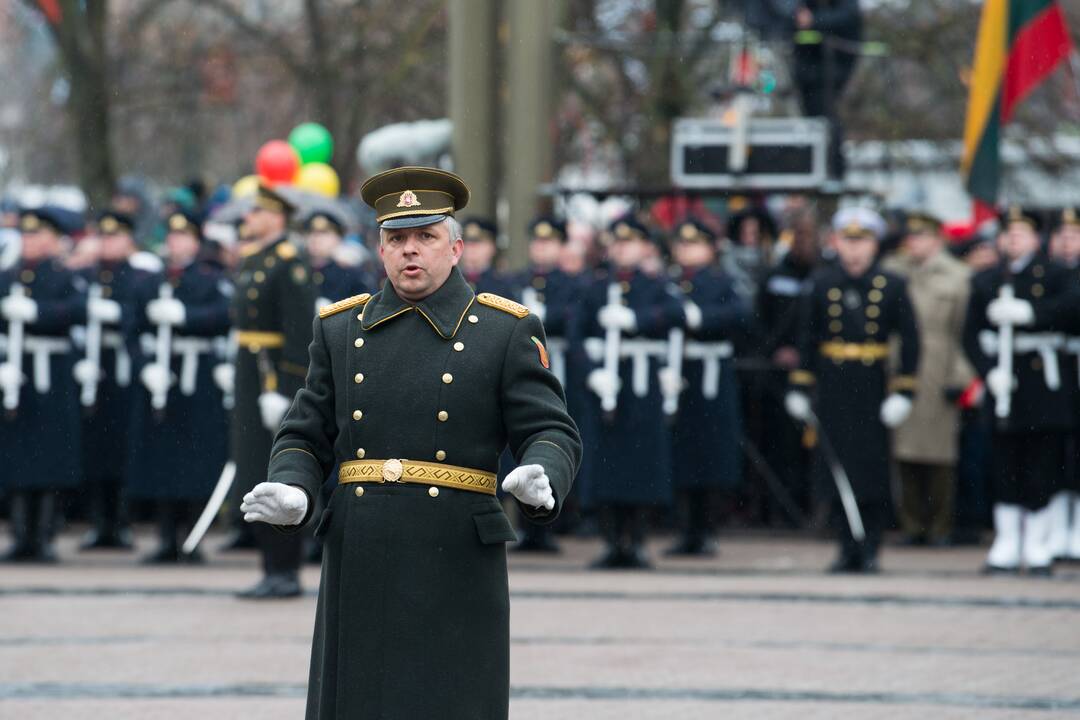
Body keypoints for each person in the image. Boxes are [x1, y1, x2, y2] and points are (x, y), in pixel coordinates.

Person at [239, 166, 580, 719]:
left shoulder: (503, 329)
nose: (410, 251)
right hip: (362, 549)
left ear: (457, 247)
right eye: (397, 239)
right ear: (380, 249)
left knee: (448, 700)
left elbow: (551, 429)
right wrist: (293, 488)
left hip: (455, 553)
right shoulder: (339, 328)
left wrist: (543, 474)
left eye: (426, 237)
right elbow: (305, 432)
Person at [785, 207, 920, 573]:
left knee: (871, 468)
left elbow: (909, 340)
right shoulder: (822, 282)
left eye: (862, 242)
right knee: (836, 467)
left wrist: (904, 391)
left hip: (872, 382)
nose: (855, 250)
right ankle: (846, 545)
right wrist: (799, 385)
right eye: (848, 241)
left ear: (875, 245)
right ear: (836, 243)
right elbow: (807, 337)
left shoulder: (892, 285)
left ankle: (871, 545)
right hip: (833, 383)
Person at [964, 207, 1073, 575]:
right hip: (1004, 380)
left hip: (1042, 380)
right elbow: (970, 334)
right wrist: (988, 372)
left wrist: (1032, 314)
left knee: (1041, 461)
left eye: (1021, 233)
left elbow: (1072, 309)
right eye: (1007, 233)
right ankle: (1007, 541)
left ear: (1036, 238)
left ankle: (1038, 543)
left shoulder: (1056, 274)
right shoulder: (987, 279)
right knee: (1004, 461)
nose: (1013, 239)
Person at [126, 210, 231, 563]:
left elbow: (225, 315)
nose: (176, 243)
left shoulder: (209, 278)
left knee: (194, 461)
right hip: (162, 378)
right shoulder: (149, 282)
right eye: (171, 237)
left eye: (184, 237)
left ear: (196, 241)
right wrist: (144, 369)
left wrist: (186, 316)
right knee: (162, 460)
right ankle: (165, 537)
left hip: (197, 379)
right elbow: (132, 332)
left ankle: (192, 537)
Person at [582, 216, 683, 568]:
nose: (623, 249)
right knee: (606, 464)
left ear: (644, 247)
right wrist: (593, 374)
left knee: (642, 463)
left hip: (642, 385)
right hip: (609, 386)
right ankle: (611, 541)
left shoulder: (655, 285)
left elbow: (677, 314)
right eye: (618, 242)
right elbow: (577, 335)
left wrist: (637, 321)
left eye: (631, 242)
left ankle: (637, 539)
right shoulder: (595, 287)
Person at [230, 184, 315, 598]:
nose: (250, 218)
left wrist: (285, 388)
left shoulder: (288, 263)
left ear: (278, 217)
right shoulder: (255, 258)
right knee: (252, 468)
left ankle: (285, 568)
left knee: (276, 472)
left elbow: (300, 332)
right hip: (251, 374)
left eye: (258, 211)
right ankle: (270, 565)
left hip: (273, 378)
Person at [881, 211, 974, 547]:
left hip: (939, 365)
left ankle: (939, 525)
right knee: (902, 450)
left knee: (939, 453)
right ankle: (911, 524)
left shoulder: (959, 276)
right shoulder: (895, 271)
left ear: (937, 239)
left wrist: (960, 376)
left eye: (922, 237)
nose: (914, 243)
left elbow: (965, 332)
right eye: (912, 237)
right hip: (901, 364)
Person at [0, 208, 86, 562]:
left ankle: (45, 534)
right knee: (18, 458)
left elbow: (77, 310)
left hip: (53, 374)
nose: (31, 241)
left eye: (38, 235)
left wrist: (37, 312)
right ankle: (20, 536)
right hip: (15, 376)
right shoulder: (8, 276)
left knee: (49, 457)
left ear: (52, 239)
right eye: (27, 235)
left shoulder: (63, 276)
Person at [665, 220, 750, 555]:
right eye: (682, 244)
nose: (687, 250)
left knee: (710, 452)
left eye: (696, 244)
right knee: (681, 451)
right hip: (677, 372)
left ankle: (706, 527)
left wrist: (700, 318)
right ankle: (686, 528)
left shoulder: (721, 280)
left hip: (710, 374)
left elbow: (741, 315)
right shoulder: (670, 282)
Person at [78, 210, 155, 551]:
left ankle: (122, 522)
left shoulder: (138, 276)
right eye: (104, 237)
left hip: (126, 369)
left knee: (122, 446)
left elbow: (142, 317)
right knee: (95, 448)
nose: (109, 243)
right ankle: (99, 522)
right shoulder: (90, 274)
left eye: (116, 236)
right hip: (96, 370)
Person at [509, 216, 582, 552]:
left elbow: (575, 319)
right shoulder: (516, 281)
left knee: (556, 439)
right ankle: (528, 526)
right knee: (522, 441)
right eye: (537, 242)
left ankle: (558, 521)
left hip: (561, 365)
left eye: (549, 241)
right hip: (523, 367)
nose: (541, 247)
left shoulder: (571, 283)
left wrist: (545, 317)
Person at [757, 209, 820, 526]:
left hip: (818, 374)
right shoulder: (776, 275)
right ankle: (782, 511)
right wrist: (774, 350)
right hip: (780, 375)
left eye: (810, 236)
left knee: (817, 446)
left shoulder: (825, 274)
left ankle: (816, 508)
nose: (804, 243)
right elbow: (760, 320)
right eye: (799, 236)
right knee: (782, 445)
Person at [1047, 208, 1080, 562]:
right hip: (1057, 371)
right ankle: (1058, 527)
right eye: (1061, 234)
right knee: (1057, 449)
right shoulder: (1048, 274)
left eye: (1074, 233)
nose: (1067, 241)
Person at [301, 209, 375, 311]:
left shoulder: (351, 276)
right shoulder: (296, 271)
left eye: (324, 233)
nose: (316, 238)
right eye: (311, 232)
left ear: (338, 238)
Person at [459, 216, 515, 296]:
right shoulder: (450, 282)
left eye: (478, 242)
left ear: (492, 247)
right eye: (467, 242)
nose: (471, 247)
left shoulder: (506, 285)